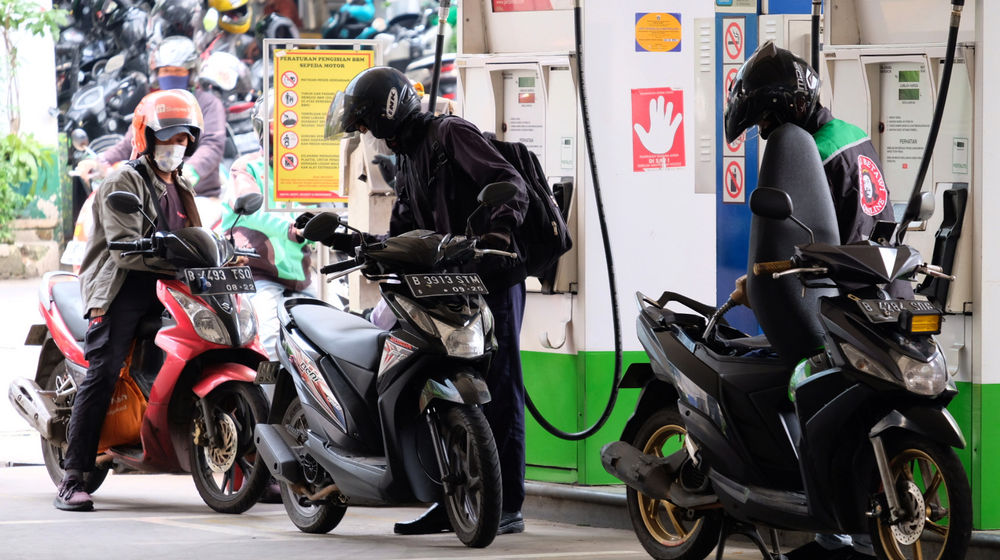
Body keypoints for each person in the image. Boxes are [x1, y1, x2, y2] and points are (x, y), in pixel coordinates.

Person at [317, 66, 530, 536]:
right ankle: (448, 494)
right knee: (423, 379)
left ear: (387, 112)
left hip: (493, 278)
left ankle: (506, 502)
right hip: (446, 283)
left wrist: (496, 229)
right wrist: (361, 246)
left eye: (367, 124)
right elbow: (404, 232)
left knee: (498, 386)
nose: (367, 135)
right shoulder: (409, 159)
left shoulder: (449, 134)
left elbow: (508, 183)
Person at [724, 41, 885, 560]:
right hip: (874, 293)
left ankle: (828, 530)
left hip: (837, 301)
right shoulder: (855, 138)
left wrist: (761, 285)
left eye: (765, 122)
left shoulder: (807, 153)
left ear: (784, 110)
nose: (766, 135)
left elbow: (810, 239)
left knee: (810, 386)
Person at [55, 89, 204, 512]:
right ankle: (74, 474)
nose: (175, 147)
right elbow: (124, 250)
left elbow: (196, 239)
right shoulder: (124, 180)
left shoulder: (183, 187)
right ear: (147, 138)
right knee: (103, 372)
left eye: (182, 140)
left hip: (169, 288)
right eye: (167, 138)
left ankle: (250, 466)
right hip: (122, 288)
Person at [75, 36, 226, 227]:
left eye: (178, 71)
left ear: (191, 74)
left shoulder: (209, 104)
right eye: (166, 71)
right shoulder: (151, 104)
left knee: (196, 244)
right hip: (149, 192)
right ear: (157, 74)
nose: (171, 75)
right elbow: (131, 143)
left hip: (198, 194)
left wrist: (190, 171)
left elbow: (212, 146)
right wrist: (101, 162)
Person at [222, 94, 313, 360]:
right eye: (281, 131)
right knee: (269, 339)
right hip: (260, 274)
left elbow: (322, 208)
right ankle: (267, 399)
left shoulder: (302, 172)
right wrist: (290, 228)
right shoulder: (246, 168)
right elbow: (254, 213)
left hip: (301, 274)